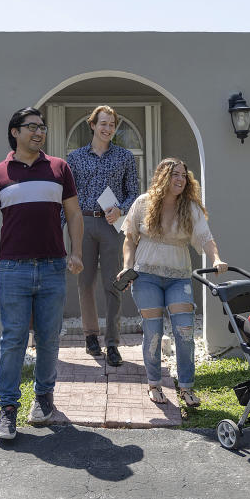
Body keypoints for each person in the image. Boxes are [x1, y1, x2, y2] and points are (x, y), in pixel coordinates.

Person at [0, 107, 84, 440]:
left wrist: (76, 251)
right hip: (12, 269)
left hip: (53, 266)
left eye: (42, 127)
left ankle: (43, 398)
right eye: (32, 127)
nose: (39, 132)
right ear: (15, 132)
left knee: (50, 338)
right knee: (13, 340)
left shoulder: (59, 168)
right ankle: (8, 408)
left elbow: (75, 214)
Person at [118, 157, 226, 407]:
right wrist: (127, 267)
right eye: (175, 174)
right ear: (162, 177)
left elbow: (206, 238)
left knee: (185, 332)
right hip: (146, 276)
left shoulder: (190, 208)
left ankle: (187, 387)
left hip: (179, 278)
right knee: (153, 332)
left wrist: (217, 258)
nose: (180, 179)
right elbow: (130, 238)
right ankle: (154, 383)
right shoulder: (143, 203)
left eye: (183, 175)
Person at [66, 105, 140, 366]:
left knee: (113, 283)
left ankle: (112, 343)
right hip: (82, 223)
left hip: (111, 226)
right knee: (84, 282)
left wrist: (121, 208)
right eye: (103, 123)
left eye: (112, 124)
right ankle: (90, 336)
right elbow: (67, 196)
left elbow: (134, 192)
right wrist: (62, 225)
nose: (108, 128)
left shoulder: (124, 157)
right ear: (93, 125)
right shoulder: (74, 159)